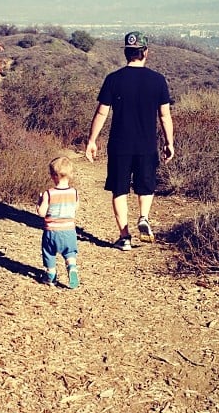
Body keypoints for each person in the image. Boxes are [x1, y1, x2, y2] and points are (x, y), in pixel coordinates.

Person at [85, 31, 174, 251]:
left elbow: (101, 113)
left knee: (120, 189)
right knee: (146, 186)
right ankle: (143, 217)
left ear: (126, 52)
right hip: (146, 145)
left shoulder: (113, 79)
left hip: (119, 144)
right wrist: (169, 142)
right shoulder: (158, 80)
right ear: (146, 52)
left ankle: (124, 237)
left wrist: (91, 141)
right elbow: (164, 115)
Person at [36, 156, 80, 288]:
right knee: (70, 253)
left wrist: (39, 203)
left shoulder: (48, 194)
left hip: (52, 232)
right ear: (70, 175)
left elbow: (42, 213)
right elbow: (75, 208)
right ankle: (72, 267)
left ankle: (51, 275)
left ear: (53, 176)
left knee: (49, 253)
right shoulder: (74, 192)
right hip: (69, 231)